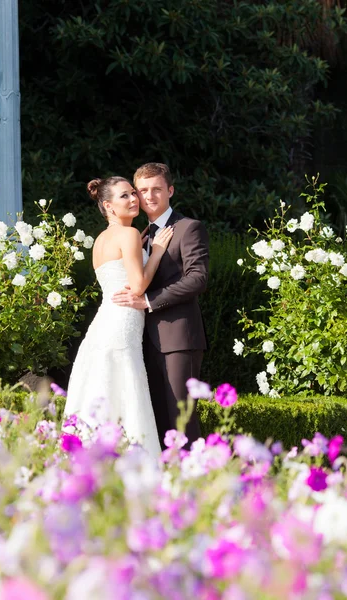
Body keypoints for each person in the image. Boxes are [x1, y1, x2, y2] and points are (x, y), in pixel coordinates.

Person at [64, 176, 174, 456]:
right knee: (124, 386)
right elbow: (137, 286)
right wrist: (158, 252)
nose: (134, 199)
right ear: (108, 205)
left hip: (104, 322)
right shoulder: (129, 234)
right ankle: (132, 459)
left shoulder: (101, 239)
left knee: (101, 387)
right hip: (122, 321)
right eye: (125, 196)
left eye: (132, 193)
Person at [111, 163, 209, 449]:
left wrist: (149, 301)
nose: (149, 196)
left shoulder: (188, 228)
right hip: (142, 340)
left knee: (182, 420)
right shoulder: (140, 236)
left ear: (170, 190)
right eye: (142, 190)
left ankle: (198, 485)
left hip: (178, 338)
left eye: (156, 189)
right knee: (155, 422)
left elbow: (198, 279)